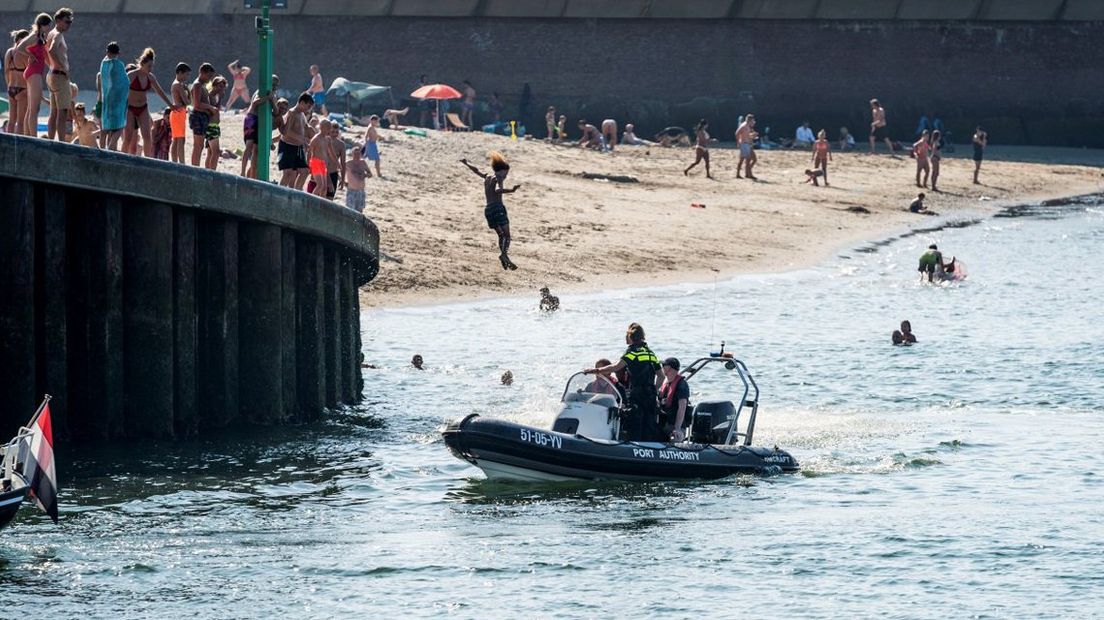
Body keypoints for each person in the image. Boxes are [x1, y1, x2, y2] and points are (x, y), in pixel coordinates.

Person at [585, 323, 662, 442]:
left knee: (636, 426)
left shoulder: (632, 352)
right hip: (650, 396)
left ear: (630, 336)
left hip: (637, 395)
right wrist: (655, 391)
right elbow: (661, 376)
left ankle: (634, 450)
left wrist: (596, 370)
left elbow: (615, 367)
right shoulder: (650, 353)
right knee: (648, 427)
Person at [461, 152, 522, 270]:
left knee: (501, 235)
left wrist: (466, 163)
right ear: (501, 170)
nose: (506, 176)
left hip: (488, 210)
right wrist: (512, 190)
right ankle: (504, 255)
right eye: (506, 173)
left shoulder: (488, 176)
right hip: (498, 208)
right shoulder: (499, 178)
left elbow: (476, 171)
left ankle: (505, 256)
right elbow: (498, 191)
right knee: (507, 236)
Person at [124, 48, 175, 158]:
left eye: (152, 66)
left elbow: (160, 92)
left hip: (143, 108)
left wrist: (171, 105)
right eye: (149, 66)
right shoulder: (131, 75)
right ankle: (120, 158)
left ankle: (148, 160)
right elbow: (120, 89)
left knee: (147, 137)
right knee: (127, 137)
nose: (151, 68)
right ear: (142, 64)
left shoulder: (150, 77)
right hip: (130, 108)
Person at [15, 12, 51, 137]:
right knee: (34, 109)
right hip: (34, 72)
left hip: (35, 71)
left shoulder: (40, 37)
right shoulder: (35, 36)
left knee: (31, 108)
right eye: (48, 25)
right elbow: (19, 47)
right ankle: (33, 137)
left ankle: (27, 136)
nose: (49, 28)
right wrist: (30, 55)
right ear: (42, 25)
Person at [44, 7, 73, 142]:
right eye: (67, 21)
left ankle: (51, 140)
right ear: (58, 20)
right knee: (63, 111)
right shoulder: (57, 34)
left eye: (70, 22)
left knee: (54, 111)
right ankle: (61, 142)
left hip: (51, 74)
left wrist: (51, 65)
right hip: (59, 75)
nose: (69, 24)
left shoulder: (50, 33)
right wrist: (62, 67)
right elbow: (51, 50)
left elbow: (45, 52)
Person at [241, 73, 278, 177]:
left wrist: (272, 100)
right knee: (249, 146)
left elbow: (276, 111)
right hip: (252, 118)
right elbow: (255, 103)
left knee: (256, 149)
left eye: (276, 84)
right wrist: (267, 98)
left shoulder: (273, 94)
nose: (274, 86)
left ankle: (253, 174)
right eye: (273, 83)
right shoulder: (261, 91)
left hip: (261, 122)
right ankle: (243, 171)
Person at [277, 92, 313, 188]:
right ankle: (280, 193)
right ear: (301, 102)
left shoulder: (302, 115)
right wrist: (302, 139)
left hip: (298, 148)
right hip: (287, 146)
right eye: (308, 106)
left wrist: (314, 136)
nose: (309, 109)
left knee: (305, 172)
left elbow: (306, 127)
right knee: (288, 173)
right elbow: (286, 132)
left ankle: (297, 193)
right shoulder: (292, 113)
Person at [96, 41, 127, 150]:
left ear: (107, 52)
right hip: (117, 101)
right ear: (118, 53)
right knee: (119, 126)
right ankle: (111, 147)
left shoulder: (103, 65)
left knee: (105, 127)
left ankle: (102, 149)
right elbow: (125, 82)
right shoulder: (119, 65)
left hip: (105, 100)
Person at [189, 63, 217, 166]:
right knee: (198, 145)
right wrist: (210, 108)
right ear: (202, 73)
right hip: (198, 117)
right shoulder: (197, 85)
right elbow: (196, 104)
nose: (210, 79)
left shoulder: (201, 85)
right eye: (209, 76)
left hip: (201, 117)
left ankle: (195, 167)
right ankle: (195, 168)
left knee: (199, 145)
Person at [5, 29, 30, 136]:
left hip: (11, 88)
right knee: (20, 122)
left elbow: (6, 72)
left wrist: (9, 85)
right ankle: (19, 146)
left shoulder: (9, 52)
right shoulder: (23, 54)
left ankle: (8, 143)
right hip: (22, 89)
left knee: (11, 120)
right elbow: (29, 73)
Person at [658, 357, 690, 442]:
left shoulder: (681, 385)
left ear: (672, 369)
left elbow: (682, 407)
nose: (663, 368)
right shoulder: (666, 384)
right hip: (664, 423)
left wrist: (677, 428)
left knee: (675, 438)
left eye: (665, 367)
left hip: (675, 426)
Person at [168, 63, 192, 164]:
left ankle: (174, 161)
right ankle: (181, 162)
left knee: (176, 139)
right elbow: (187, 102)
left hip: (176, 113)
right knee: (180, 140)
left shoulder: (176, 84)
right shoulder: (178, 85)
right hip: (179, 113)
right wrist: (188, 91)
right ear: (180, 73)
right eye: (186, 74)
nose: (187, 77)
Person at [203, 75, 227, 170]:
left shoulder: (214, 96)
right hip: (211, 126)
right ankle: (212, 172)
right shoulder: (210, 96)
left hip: (214, 126)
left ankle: (208, 171)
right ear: (214, 85)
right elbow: (214, 110)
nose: (221, 89)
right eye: (220, 86)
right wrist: (220, 98)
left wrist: (220, 98)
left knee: (210, 152)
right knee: (216, 152)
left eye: (223, 87)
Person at [308, 118, 332, 197]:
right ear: (321, 127)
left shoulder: (327, 139)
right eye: (327, 127)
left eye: (330, 127)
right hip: (315, 162)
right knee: (320, 185)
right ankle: (312, 201)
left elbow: (329, 152)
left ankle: (322, 203)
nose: (329, 129)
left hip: (323, 164)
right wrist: (308, 166)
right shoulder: (315, 139)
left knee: (324, 187)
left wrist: (337, 163)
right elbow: (309, 152)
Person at [344, 143, 370, 213]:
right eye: (355, 154)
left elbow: (370, 174)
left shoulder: (363, 163)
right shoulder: (348, 164)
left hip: (361, 191)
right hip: (351, 191)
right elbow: (339, 172)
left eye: (358, 154)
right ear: (352, 154)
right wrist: (343, 182)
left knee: (360, 211)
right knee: (350, 211)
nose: (357, 155)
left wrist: (365, 175)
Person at [735, 114, 758, 179]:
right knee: (745, 159)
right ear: (749, 120)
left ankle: (747, 173)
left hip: (747, 144)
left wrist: (753, 135)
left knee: (749, 159)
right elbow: (737, 133)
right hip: (744, 144)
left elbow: (746, 135)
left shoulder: (747, 126)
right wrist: (738, 142)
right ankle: (745, 174)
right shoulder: (744, 126)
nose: (753, 122)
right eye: (753, 120)